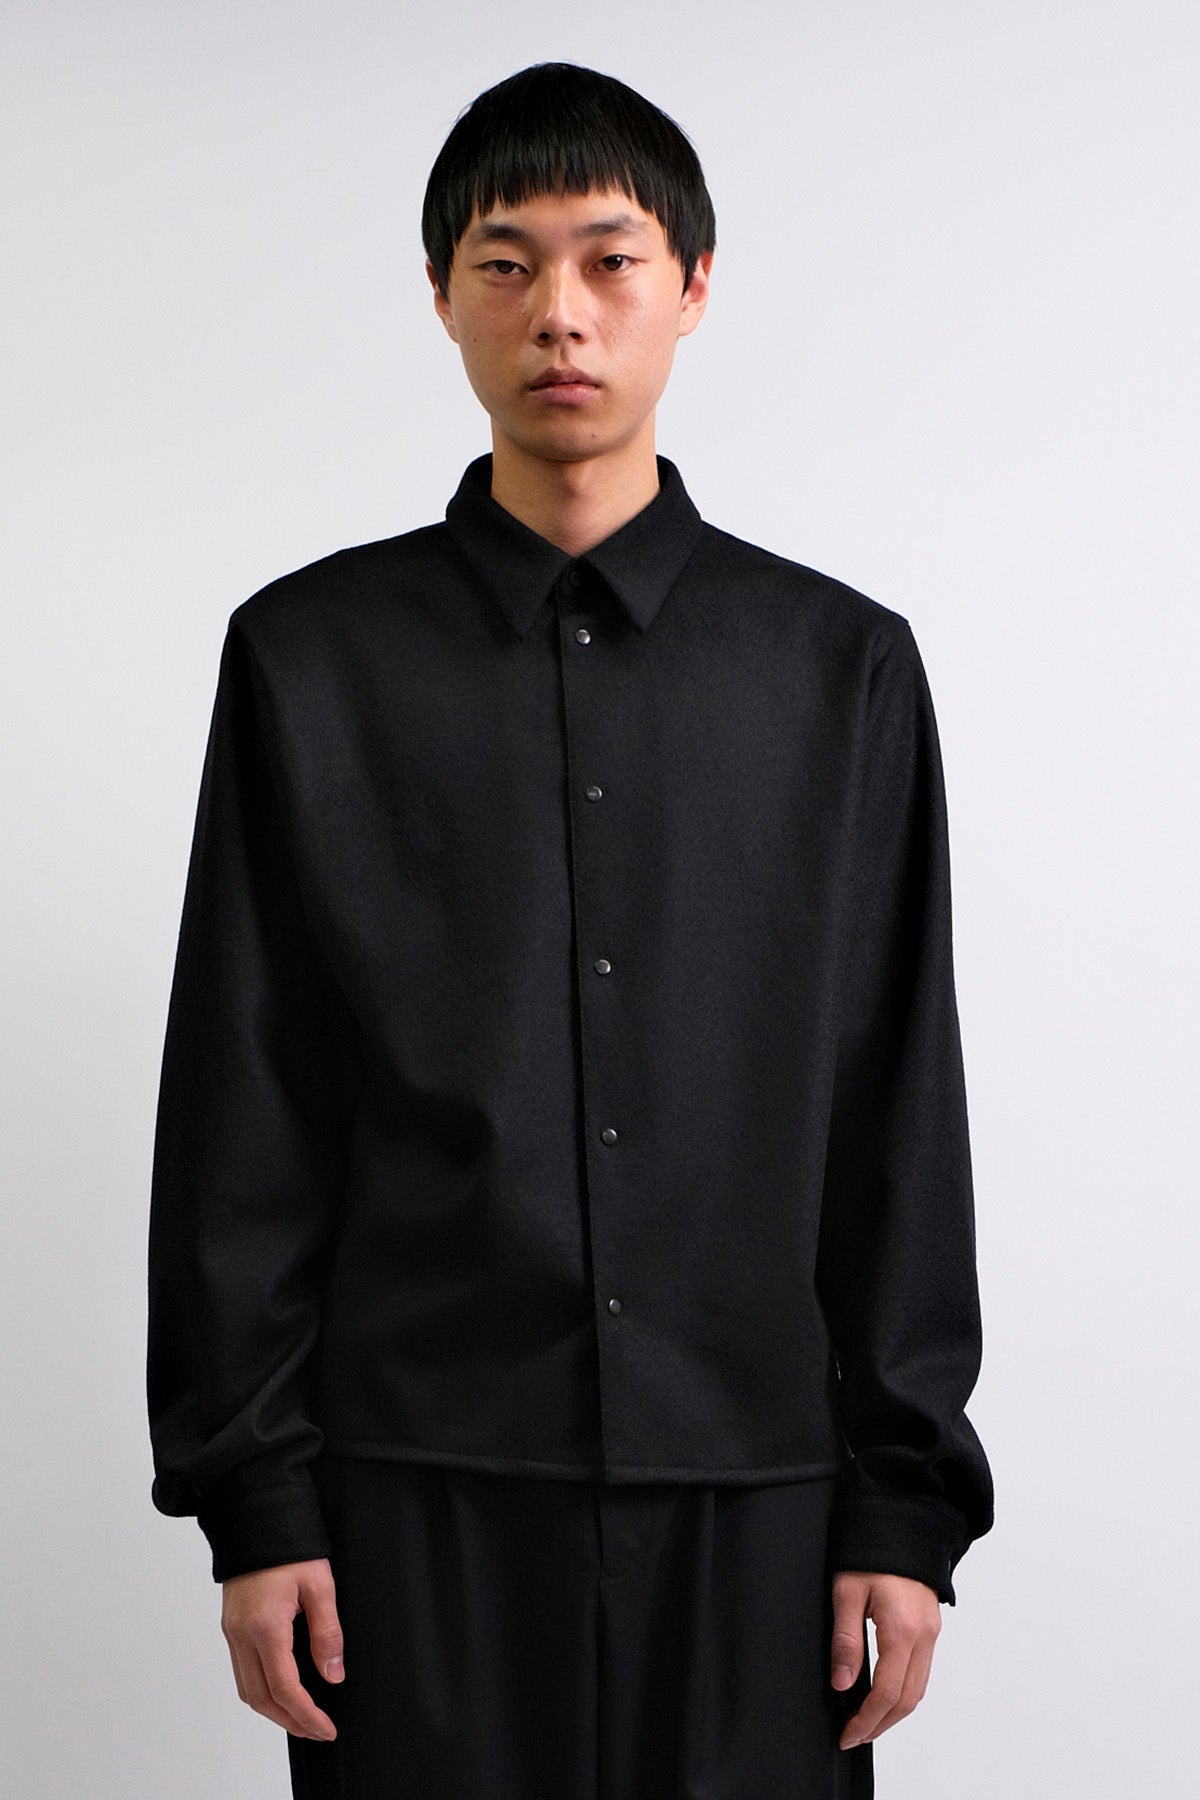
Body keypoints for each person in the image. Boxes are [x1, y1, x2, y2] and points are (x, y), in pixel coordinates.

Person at [147, 61, 993, 1799]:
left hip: (758, 1507)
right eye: (507, 263)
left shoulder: (838, 670)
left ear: (693, 285)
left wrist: (902, 1507)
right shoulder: (310, 659)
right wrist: (259, 1498)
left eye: (611, 261)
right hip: (410, 1500)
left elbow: (897, 1101)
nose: (561, 313)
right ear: (442, 294)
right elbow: (247, 1098)